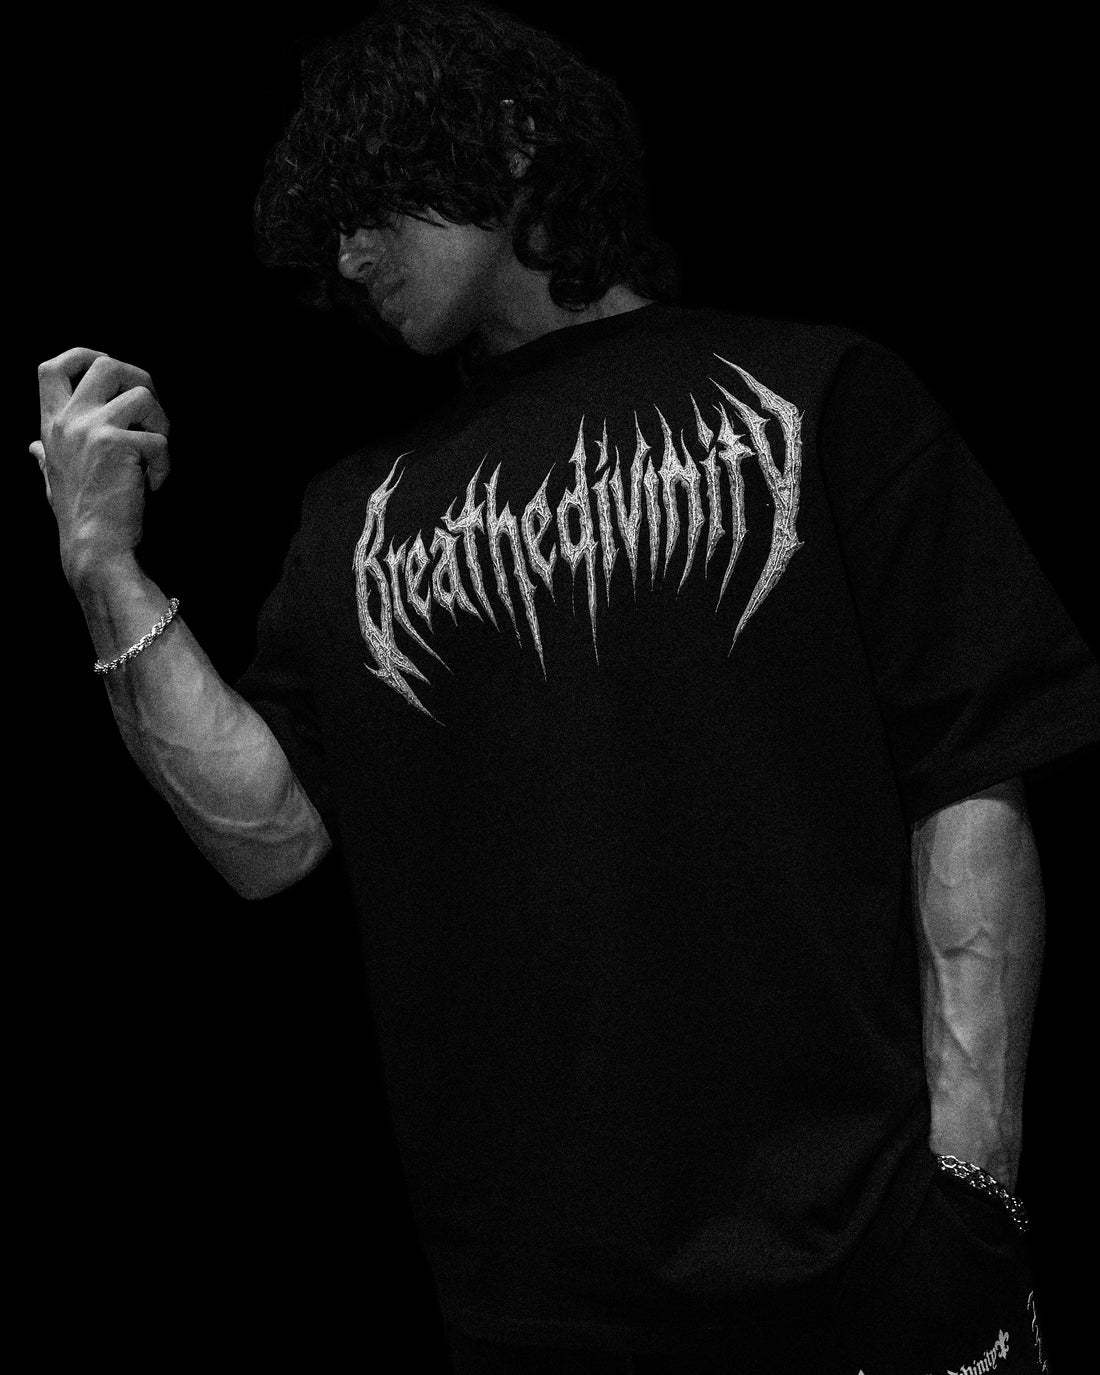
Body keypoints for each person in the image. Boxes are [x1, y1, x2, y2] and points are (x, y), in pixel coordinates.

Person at [31, 1, 1096, 1370]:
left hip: (869, 1269)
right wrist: (101, 563)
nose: (348, 257)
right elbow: (267, 837)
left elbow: (971, 771)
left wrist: (974, 1184)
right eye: (329, 234)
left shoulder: (821, 390)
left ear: (515, 138)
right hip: (540, 1309)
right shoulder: (356, 511)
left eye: (372, 203)